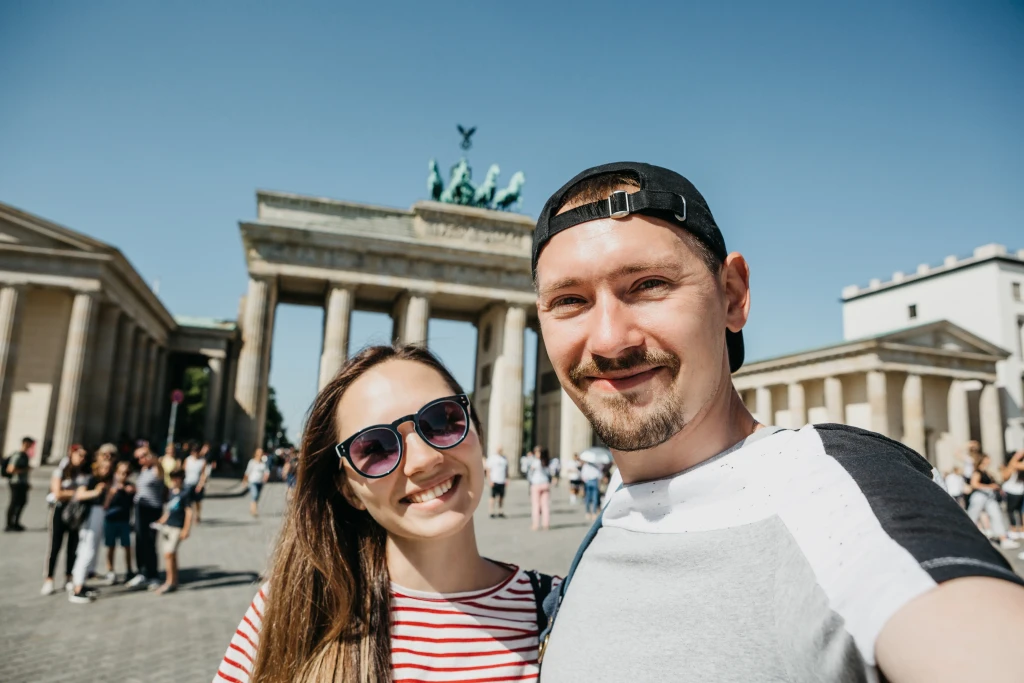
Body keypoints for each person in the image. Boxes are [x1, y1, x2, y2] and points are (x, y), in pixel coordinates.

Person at [530, 161, 1024, 682]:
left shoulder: (839, 494)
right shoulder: (613, 519)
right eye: (569, 301)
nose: (610, 340)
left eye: (649, 285)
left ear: (733, 295)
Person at [214, 345, 558, 683]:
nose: (423, 460)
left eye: (441, 420)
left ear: (476, 430)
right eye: (375, 447)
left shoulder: (565, 611)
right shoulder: (293, 611)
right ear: (349, 489)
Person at [41, 444, 85, 596]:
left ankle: (68, 577)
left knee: (73, 547)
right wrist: (76, 493)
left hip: (76, 513)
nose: (82, 458)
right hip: (60, 510)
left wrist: (73, 493)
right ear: (71, 454)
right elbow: (58, 493)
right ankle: (49, 579)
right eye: (79, 455)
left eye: (84, 456)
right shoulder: (60, 471)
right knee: (55, 546)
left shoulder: (82, 473)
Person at [68, 455, 109, 604]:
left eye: (108, 468)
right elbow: (79, 494)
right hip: (90, 517)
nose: (106, 470)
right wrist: (96, 492)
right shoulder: (91, 479)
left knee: (91, 550)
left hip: (97, 515)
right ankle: (76, 588)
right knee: (87, 550)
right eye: (104, 467)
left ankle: (81, 583)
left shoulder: (101, 481)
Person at [126, 446, 165, 590]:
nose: (140, 460)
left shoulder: (157, 469)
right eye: (138, 458)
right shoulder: (144, 470)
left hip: (152, 509)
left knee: (150, 541)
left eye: (142, 457)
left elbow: (159, 471)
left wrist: (149, 452)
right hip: (140, 508)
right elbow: (143, 488)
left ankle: (153, 575)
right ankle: (142, 572)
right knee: (139, 540)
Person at [967, 452, 1019, 550]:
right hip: (979, 496)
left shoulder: (987, 472)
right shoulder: (977, 472)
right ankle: (966, 536)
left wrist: (997, 488)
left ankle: (1003, 539)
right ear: (983, 460)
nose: (989, 461)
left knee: (996, 515)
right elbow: (974, 484)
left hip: (990, 497)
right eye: (987, 459)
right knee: (972, 516)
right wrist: (990, 486)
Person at [153, 468, 193, 595]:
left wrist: (186, 529)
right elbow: (169, 510)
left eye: (177, 478)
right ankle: (174, 580)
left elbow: (189, 512)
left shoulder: (185, 493)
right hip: (168, 526)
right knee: (172, 555)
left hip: (177, 527)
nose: (174, 481)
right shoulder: (171, 492)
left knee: (168, 554)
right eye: (172, 478)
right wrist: (162, 520)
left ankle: (169, 582)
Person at [102, 460, 135, 583]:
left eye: (126, 473)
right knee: (110, 546)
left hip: (124, 520)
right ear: (116, 473)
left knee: (126, 546)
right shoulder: (110, 486)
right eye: (121, 473)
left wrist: (133, 491)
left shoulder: (130, 487)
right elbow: (104, 505)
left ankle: (129, 570)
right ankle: (110, 570)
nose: (123, 476)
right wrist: (111, 494)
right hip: (110, 519)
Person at [5, 436, 34, 531]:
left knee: (22, 502)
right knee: (14, 503)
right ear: (25, 443)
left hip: (22, 483)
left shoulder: (24, 455)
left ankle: (16, 523)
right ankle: (9, 524)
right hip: (15, 483)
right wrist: (25, 469)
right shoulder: (18, 455)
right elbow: (10, 469)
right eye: (30, 444)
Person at [183, 443, 210, 523]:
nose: (195, 453)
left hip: (197, 483)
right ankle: (188, 516)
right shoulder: (188, 460)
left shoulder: (202, 461)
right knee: (187, 501)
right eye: (194, 451)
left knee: (197, 501)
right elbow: (183, 471)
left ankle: (197, 515)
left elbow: (203, 474)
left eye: (197, 451)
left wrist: (201, 484)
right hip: (187, 482)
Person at [1001, 450, 1024, 540]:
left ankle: (1015, 530)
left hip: (1013, 491)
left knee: (1012, 511)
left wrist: (1016, 457)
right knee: (1018, 511)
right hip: (1018, 490)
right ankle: (1020, 530)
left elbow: (1005, 476)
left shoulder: (1013, 465)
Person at [528, 446, 552, 531]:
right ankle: (546, 524)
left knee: (536, 505)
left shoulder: (535, 462)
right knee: (545, 505)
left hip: (536, 484)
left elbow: (530, 473)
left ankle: (536, 524)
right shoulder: (546, 462)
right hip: (545, 484)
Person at [243, 448, 269, 517]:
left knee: (257, 496)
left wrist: (265, 478)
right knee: (255, 494)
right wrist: (244, 480)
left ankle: (252, 508)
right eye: (259, 453)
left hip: (260, 482)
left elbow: (266, 471)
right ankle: (254, 510)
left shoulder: (263, 463)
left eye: (261, 453)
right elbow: (247, 472)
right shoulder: (252, 462)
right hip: (252, 481)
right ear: (256, 454)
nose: (260, 454)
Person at [485, 446, 509, 518]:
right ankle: (491, 511)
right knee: (493, 496)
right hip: (494, 480)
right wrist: (489, 480)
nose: (500, 450)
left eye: (501, 449)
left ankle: (500, 511)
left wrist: (507, 479)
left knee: (501, 497)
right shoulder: (492, 458)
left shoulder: (504, 458)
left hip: (502, 480)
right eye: (499, 449)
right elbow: (488, 470)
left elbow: (506, 470)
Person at [579, 454, 603, 521]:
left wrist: (586, 481)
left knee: (588, 498)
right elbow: (599, 475)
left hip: (589, 481)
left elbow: (583, 475)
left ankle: (588, 512)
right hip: (594, 481)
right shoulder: (596, 466)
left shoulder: (586, 466)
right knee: (594, 498)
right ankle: (594, 513)